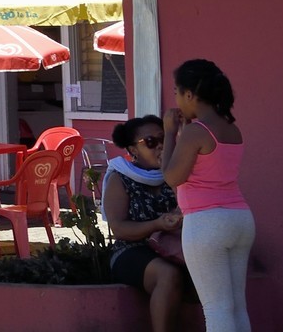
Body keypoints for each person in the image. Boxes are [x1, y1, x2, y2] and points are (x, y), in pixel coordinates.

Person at [163, 59, 253, 332]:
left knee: (216, 309)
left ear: (190, 94)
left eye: (178, 92)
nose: (176, 100)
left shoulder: (195, 132)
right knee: (236, 306)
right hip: (240, 220)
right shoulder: (231, 128)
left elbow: (171, 178)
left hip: (206, 224)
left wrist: (169, 134)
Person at [103, 115, 187, 332]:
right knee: (167, 275)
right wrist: (157, 224)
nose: (159, 146)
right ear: (133, 150)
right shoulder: (121, 177)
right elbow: (119, 228)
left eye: (164, 140)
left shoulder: (175, 173)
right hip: (132, 248)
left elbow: (190, 205)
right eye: (151, 142)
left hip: (174, 246)